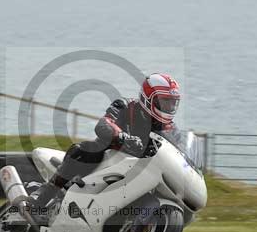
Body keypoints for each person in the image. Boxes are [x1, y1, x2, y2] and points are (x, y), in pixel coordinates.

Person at [30, 73, 181, 210]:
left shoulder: (171, 130)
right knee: (86, 149)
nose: (169, 107)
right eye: (165, 102)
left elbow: (178, 153)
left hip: (140, 171)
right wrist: (123, 137)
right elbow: (104, 124)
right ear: (148, 98)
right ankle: (44, 194)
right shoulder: (125, 106)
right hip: (108, 160)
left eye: (172, 103)